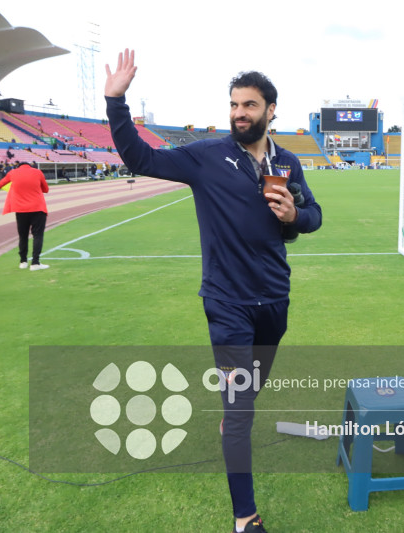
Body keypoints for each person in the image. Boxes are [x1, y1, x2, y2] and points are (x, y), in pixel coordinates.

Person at [105, 49, 322, 533]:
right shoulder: (206, 157)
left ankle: (232, 415)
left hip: (274, 301)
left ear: (270, 111)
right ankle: (245, 517)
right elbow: (139, 157)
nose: (239, 113)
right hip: (226, 303)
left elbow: (313, 216)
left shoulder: (287, 161)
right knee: (241, 409)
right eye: (233, 105)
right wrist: (115, 101)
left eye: (249, 105)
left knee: (249, 392)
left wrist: (293, 217)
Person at [0, 162, 50, 271]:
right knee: (38, 235)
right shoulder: (37, 172)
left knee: (23, 236)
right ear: (30, 166)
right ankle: (35, 263)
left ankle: (23, 262)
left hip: (21, 210)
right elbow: (46, 189)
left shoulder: (12, 173)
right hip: (37, 208)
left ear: (18, 166)